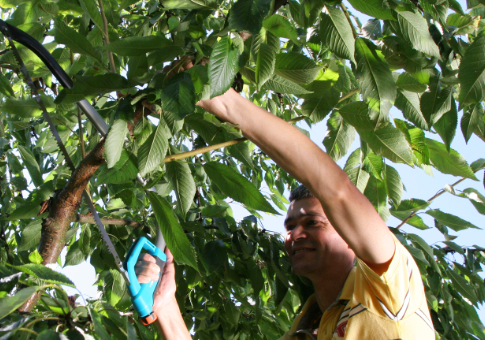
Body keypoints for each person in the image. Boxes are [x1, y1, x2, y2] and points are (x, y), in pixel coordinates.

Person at [135, 88, 436, 339]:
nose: (295, 234)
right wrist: (164, 307)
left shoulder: (389, 284)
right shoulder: (306, 327)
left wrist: (226, 101)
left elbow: (338, 191)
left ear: (349, 235)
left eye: (313, 222)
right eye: (290, 225)